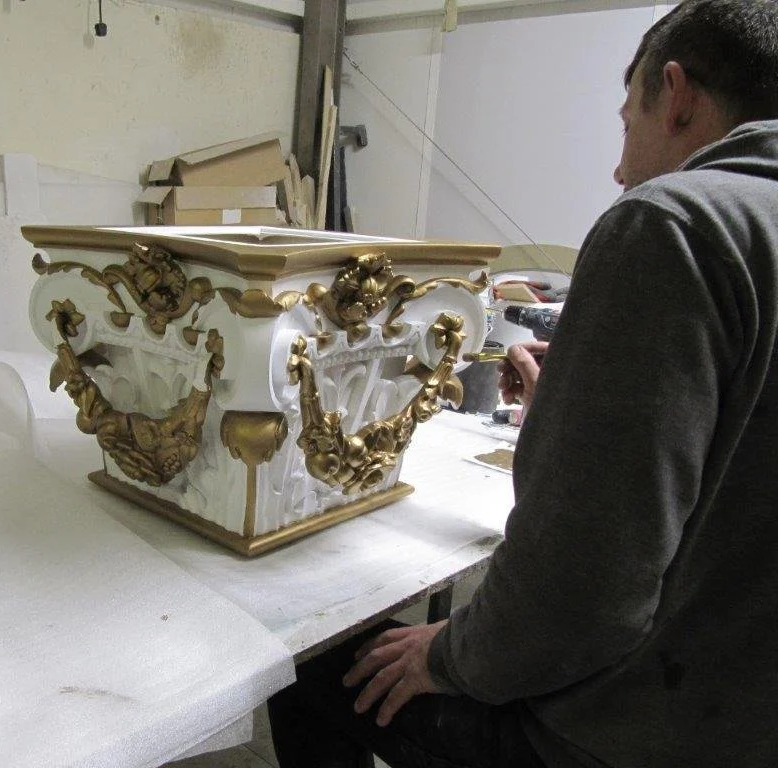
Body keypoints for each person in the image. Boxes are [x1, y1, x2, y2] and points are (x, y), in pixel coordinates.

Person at [268, 1, 778, 766]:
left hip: (633, 735)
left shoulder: (672, 224)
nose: (619, 167)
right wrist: (571, 419)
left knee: (306, 661)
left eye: (624, 121)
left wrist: (449, 658)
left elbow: (583, 594)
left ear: (675, 95)